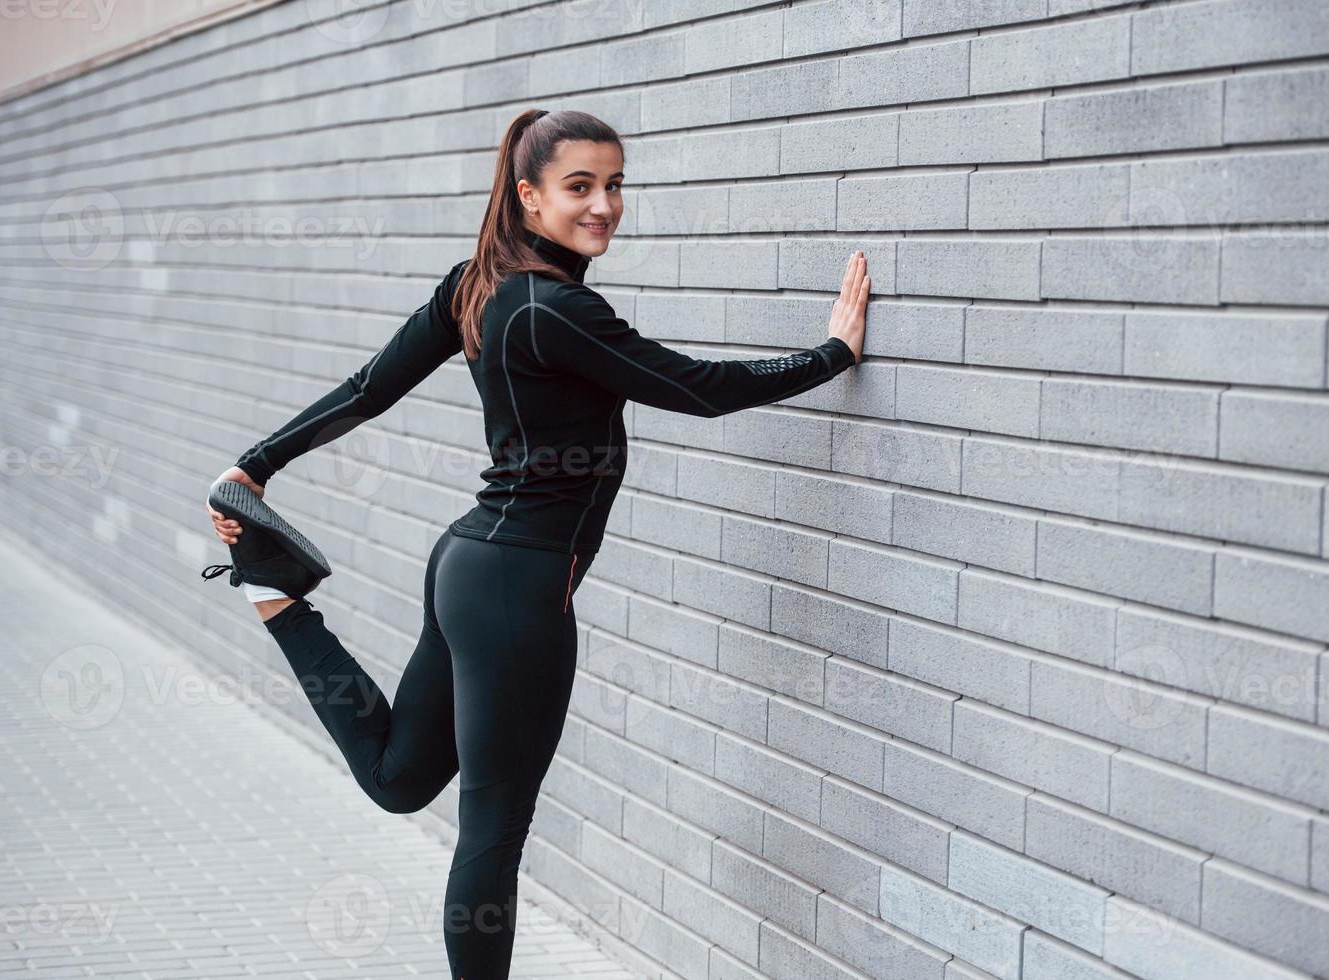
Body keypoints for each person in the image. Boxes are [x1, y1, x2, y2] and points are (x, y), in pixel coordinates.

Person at [201, 107, 869, 979]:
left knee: (402, 781)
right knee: (491, 833)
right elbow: (699, 389)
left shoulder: (474, 286)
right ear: (529, 197)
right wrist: (830, 354)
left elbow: (367, 390)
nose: (605, 206)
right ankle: (274, 589)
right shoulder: (558, 309)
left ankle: (274, 591)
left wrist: (258, 464)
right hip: (515, 591)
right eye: (580, 187)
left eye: (616, 184)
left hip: (469, 566)